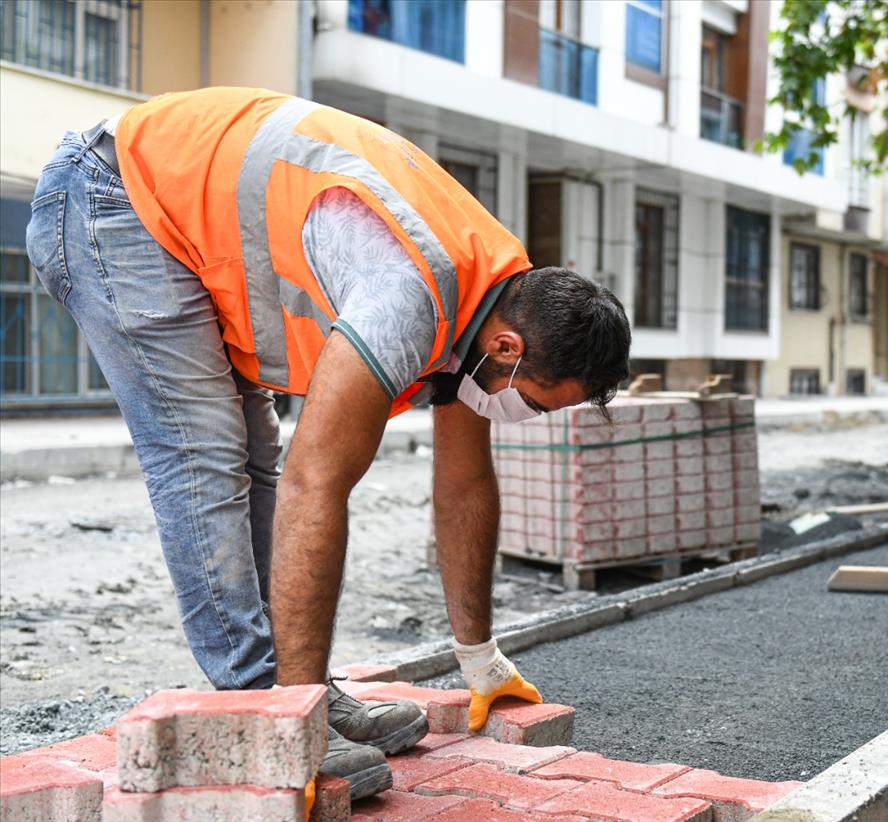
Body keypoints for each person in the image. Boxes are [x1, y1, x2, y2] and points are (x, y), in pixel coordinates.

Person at [25, 87, 631, 799]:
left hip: (179, 216)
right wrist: (298, 727)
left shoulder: (498, 296)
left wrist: (481, 660)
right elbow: (317, 481)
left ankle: (292, 684)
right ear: (507, 349)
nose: (522, 415)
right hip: (113, 198)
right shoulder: (411, 296)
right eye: (533, 402)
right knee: (207, 457)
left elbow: (464, 482)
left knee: (251, 455)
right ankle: (272, 707)